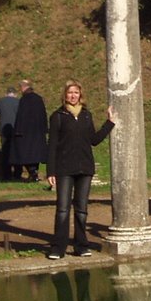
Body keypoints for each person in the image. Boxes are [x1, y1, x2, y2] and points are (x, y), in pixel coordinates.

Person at [46, 80, 116, 259]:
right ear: (65, 95)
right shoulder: (58, 116)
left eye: (76, 92)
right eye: (70, 93)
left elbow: (93, 139)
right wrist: (50, 171)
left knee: (82, 209)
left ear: (80, 95)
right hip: (64, 169)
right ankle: (58, 247)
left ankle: (81, 245)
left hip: (84, 168)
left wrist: (109, 123)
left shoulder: (86, 115)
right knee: (63, 209)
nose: (73, 96)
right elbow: (52, 145)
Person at [11, 79, 49, 185]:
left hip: (26, 132)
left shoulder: (24, 100)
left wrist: (18, 130)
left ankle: (33, 173)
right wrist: (45, 129)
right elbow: (43, 115)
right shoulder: (38, 99)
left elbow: (21, 116)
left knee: (25, 154)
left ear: (23, 87)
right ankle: (34, 172)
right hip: (37, 131)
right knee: (35, 154)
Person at [0, 86, 21, 180]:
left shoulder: (1, 101)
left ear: (6, 93)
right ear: (15, 94)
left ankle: (6, 175)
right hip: (17, 130)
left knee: (6, 152)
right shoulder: (19, 102)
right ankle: (17, 174)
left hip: (4, 130)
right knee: (17, 152)